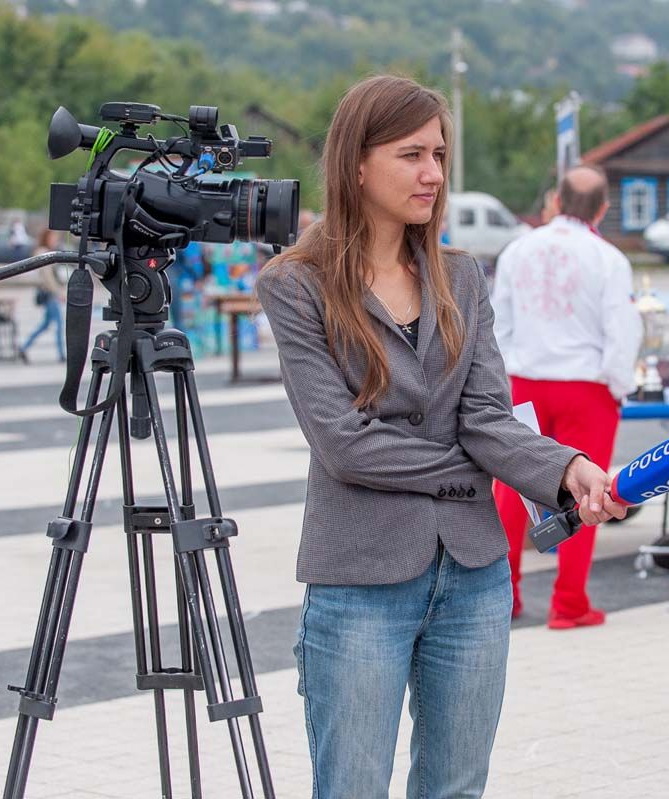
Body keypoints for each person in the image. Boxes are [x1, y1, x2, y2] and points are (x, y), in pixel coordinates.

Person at [255, 75, 625, 799]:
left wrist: (567, 468)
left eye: (440, 155)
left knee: (456, 788)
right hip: (360, 579)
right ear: (356, 164)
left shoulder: (461, 275)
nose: (432, 173)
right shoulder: (296, 284)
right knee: (352, 789)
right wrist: (469, 475)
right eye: (411, 155)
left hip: (474, 575)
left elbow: (486, 414)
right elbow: (344, 443)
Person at [490, 165, 642, 628]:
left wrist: (504, 378)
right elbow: (621, 330)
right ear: (602, 208)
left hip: (526, 380)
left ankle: (503, 596)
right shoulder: (609, 258)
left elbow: (499, 322)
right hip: (585, 386)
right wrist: (618, 386)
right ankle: (569, 602)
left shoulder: (517, 250)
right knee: (589, 495)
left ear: (556, 200)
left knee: (510, 492)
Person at [19, 229, 66, 363]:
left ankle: (24, 347)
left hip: (48, 293)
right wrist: (58, 293)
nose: (55, 240)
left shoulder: (44, 251)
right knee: (59, 324)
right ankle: (61, 354)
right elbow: (48, 277)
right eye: (53, 237)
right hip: (49, 294)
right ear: (47, 238)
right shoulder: (44, 253)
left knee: (45, 325)